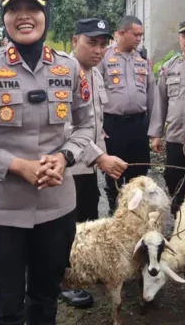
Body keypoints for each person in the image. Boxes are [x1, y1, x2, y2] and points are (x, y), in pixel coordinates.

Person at [0, 0, 96, 324]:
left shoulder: (69, 67)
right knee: (5, 309)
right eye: (14, 8)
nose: (23, 15)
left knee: (45, 301)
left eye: (33, 7)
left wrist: (64, 157)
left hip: (56, 208)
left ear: (47, 15)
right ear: (4, 17)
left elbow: (87, 125)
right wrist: (16, 164)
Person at [60, 18, 128, 309]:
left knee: (86, 220)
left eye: (103, 44)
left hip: (89, 166)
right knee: (65, 226)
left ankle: (82, 271)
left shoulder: (96, 74)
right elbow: (63, 126)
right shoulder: (61, 74)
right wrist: (100, 156)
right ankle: (62, 280)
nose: (99, 50)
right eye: (92, 43)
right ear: (75, 41)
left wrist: (102, 150)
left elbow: (94, 122)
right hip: (67, 166)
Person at [148, 20, 185, 214]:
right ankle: (179, 221)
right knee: (174, 179)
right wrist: (157, 134)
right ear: (179, 39)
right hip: (175, 136)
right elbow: (161, 102)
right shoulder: (169, 67)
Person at [98, 16, 154, 214]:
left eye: (141, 35)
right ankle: (115, 214)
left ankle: (137, 214)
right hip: (113, 125)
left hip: (139, 125)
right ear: (121, 33)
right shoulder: (103, 57)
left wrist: (154, 129)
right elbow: (95, 92)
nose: (139, 39)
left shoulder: (142, 59)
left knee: (139, 173)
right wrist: (98, 126)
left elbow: (151, 93)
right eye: (136, 34)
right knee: (114, 173)